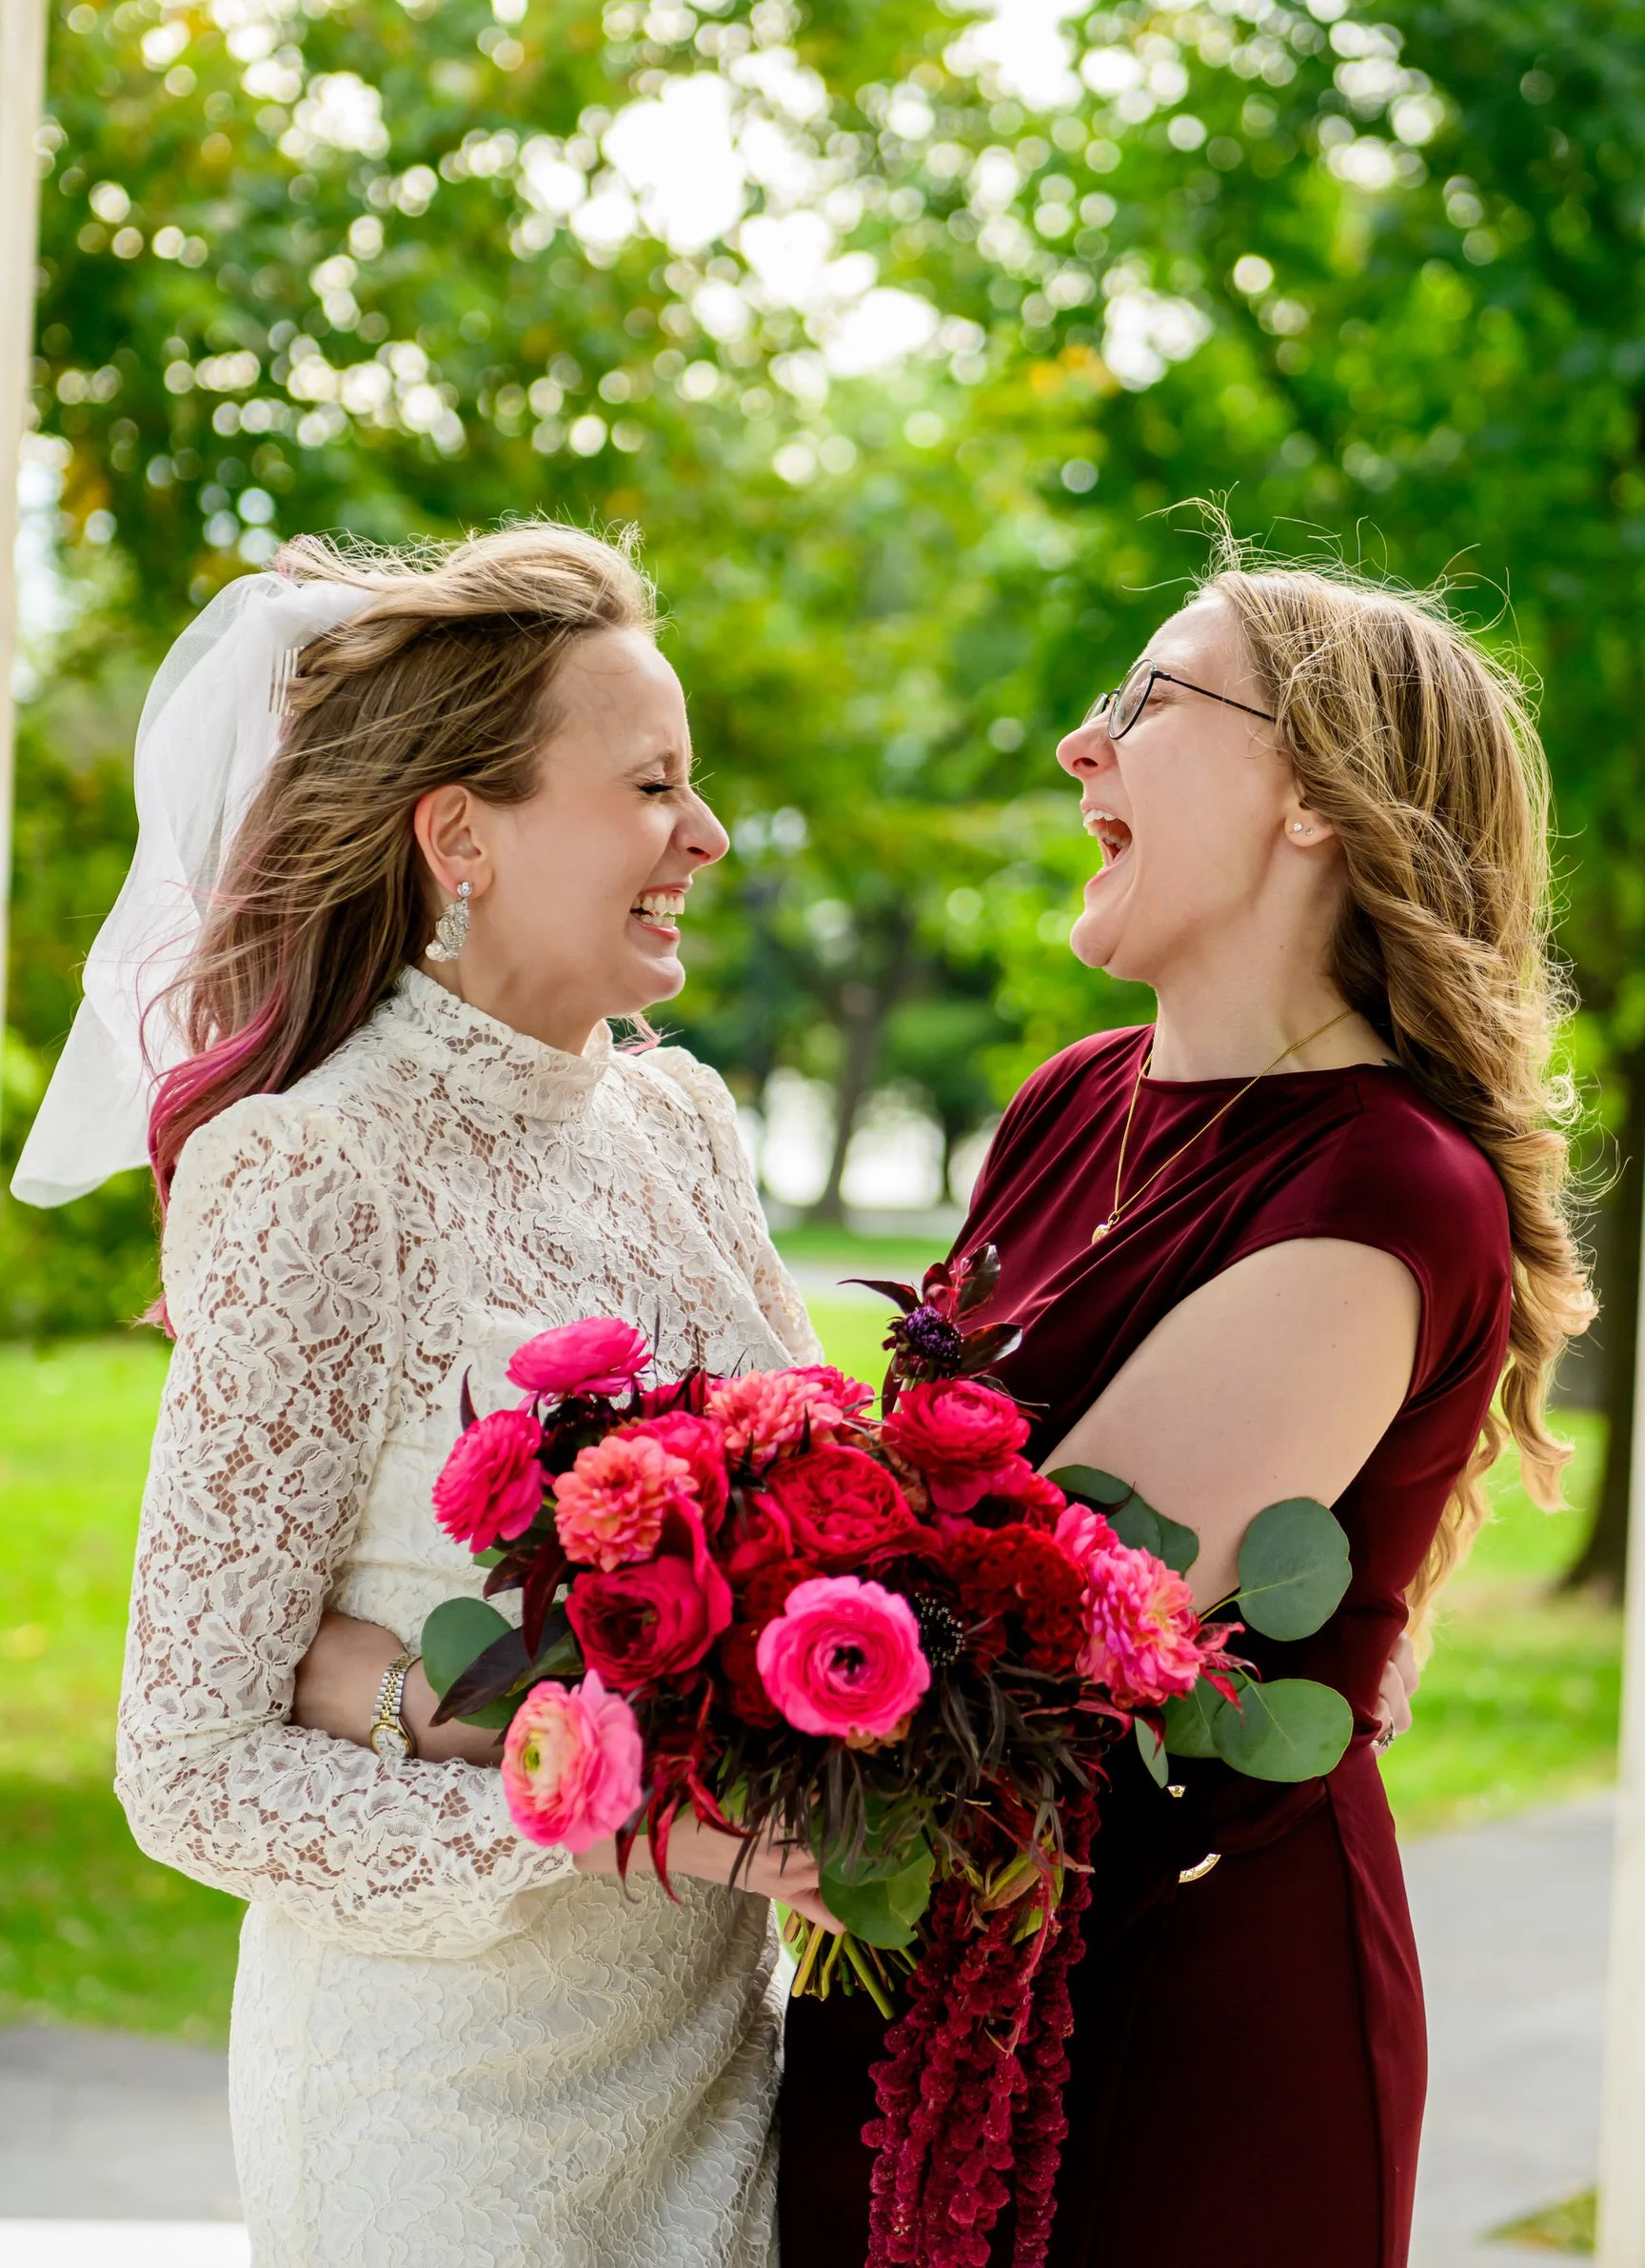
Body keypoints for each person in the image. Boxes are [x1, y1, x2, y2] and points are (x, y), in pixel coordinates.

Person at [15, 526, 834, 2268]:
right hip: (450, 2114)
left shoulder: (681, 1125)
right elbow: (194, 1768)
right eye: (651, 787)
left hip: (719, 2065)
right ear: (460, 834)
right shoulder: (311, 1169)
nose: (706, 834)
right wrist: (626, 1813)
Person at [778, 549, 1590, 2268]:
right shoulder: (1072, 1098)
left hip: (1174, 2025)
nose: (1083, 744)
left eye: (1147, 700)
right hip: (930, 1952)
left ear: (1315, 794)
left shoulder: (1387, 1188)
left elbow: (999, 1633)